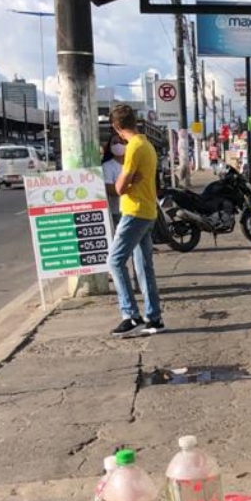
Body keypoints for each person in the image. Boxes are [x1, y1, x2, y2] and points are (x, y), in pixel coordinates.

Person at [106, 104, 163, 338]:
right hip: (149, 211)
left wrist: (126, 182)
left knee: (115, 261)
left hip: (134, 211)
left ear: (117, 128)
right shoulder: (147, 145)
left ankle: (130, 315)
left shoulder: (134, 148)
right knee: (143, 266)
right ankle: (153, 317)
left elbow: (119, 187)